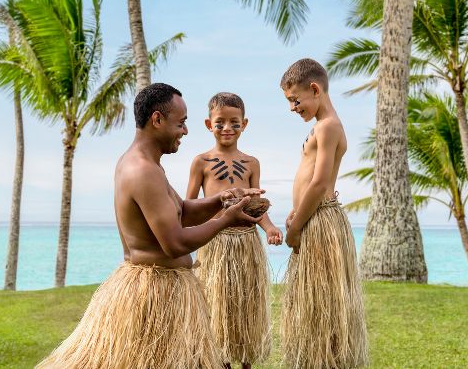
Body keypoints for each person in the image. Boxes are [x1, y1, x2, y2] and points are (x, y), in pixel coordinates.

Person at [36, 83, 263, 369]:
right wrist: (226, 220)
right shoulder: (142, 171)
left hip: (165, 287)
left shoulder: (148, 165)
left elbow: (182, 212)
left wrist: (223, 199)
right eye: (180, 123)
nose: (185, 131)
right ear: (157, 120)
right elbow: (175, 243)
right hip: (153, 292)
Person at [280, 59, 368, 368]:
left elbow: (318, 183)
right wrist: (295, 210)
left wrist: (294, 230)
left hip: (319, 221)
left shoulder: (328, 125)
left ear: (314, 89)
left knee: (324, 307)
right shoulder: (322, 125)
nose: (292, 107)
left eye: (295, 100)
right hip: (311, 216)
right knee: (314, 307)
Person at [186, 92, 282, 369]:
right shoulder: (201, 162)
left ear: (245, 124)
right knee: (218, 307)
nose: (227, 128)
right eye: (220, 123)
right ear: (208, 124)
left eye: (234, 123)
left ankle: (246, 361)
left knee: (245, 305)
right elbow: (189, 205)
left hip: (246, 243)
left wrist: (270, 227)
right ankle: (221, 360)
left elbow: (255, 206)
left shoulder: (251, 163)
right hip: (215, 242)